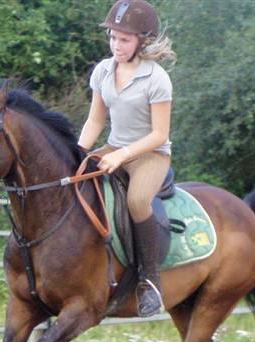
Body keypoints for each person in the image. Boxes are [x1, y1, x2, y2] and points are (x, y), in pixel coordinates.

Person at [78, 0, 177, 318]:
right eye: (112, 38)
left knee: (136, 200)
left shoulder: (157, 79)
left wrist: (122, 155)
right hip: (113, 147)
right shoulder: (103, 71)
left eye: (124, 39)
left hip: (149, 155)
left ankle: (150, 282)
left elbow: (159, 134)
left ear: (142, 41)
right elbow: (95, 121)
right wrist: (78, 155)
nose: (116, 45)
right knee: (75, 179)